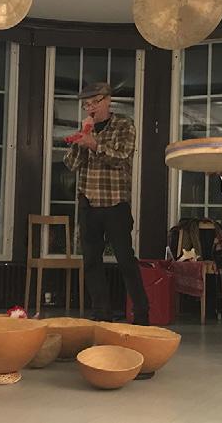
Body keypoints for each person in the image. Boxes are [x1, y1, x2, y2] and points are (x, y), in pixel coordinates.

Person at [64, 82, 149, 326]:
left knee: (125, 260)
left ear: (108, 100)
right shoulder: (86, 128)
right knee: (91, 261)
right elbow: (71, 164)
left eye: (95, 102)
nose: (90, 108)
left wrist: (94, 143)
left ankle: (141, 315)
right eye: (86, 104)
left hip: (114, 203)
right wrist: (83, 138)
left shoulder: (124, 124)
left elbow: (122, 157)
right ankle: (102, 315)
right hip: (88, 203)